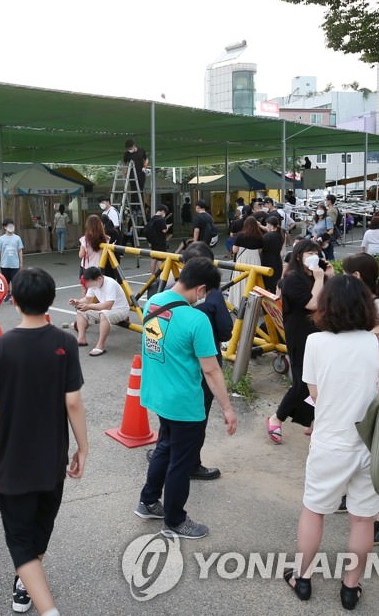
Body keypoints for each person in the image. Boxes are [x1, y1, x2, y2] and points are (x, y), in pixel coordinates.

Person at [0, 268, 87, 615]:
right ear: (50, 301)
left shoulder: (0, 347)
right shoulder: (65, 343)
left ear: (14, 301)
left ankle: (44, 604)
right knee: (39, 531)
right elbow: (73, 402)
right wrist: (83, 447)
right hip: (52, 462)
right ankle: (25, 585)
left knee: (21, 541)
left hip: (13, 464)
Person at [284, 276, 379, 610]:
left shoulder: (316, 343)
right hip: (371, 445)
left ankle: (302, 578)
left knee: (314, 511)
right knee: (363, 519)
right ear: (366, 306)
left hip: (330, 443)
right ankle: (351, 588)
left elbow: (315, 393)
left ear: (327, 306)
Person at [134, 257, 238, 540]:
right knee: (181, 461)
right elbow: (211, 369)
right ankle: (175, 521)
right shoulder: (196, 319)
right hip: (184, 402)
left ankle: (148, 501)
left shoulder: (153, 302)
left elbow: (155, 345)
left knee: (165, 447)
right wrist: (227, 408)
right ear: (201, 289)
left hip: (158, 394)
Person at [340, 253, 379, 545]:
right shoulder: (361, 302)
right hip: (357, 388)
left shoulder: (378, 307)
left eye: (345, 274)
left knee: (376, 454)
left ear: (357, 277)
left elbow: (378, 341)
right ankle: (350, 495)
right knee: (354, 447)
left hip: (375, 392)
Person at [175, 243, 233, 481]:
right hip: (203, 363)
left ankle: (166, 452)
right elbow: (226, 330)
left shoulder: (169, 293)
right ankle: (191, 464)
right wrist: (227, 408)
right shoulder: (213, 294)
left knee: (172, 416)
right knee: (198, 416)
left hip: (175, 365)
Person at [266, 239, 333, 444]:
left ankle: (311, 420)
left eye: (316, 253)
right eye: (309, 253)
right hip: (300, 336)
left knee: (321, 381)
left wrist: (330, 277)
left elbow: (333, 299)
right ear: (298, 256)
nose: (314, 256)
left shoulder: (316, 275)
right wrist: (320, 279)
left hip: (321, 334)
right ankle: (277, 417)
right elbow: (313, 304)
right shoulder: (292, 279)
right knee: (303, 383)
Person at [69, 266, 130, 357]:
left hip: (120, 310)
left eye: (89, 283)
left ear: (99, 279)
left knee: (104, 314)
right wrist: (77, 302)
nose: (88, 285)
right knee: (81, 310)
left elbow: (108, 305)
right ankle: (81, 339)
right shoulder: (94, 283)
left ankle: (100, 346)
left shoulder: (110, 284)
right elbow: (87, 299)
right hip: (105, 309)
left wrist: (89, 306)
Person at [228, 216, 265, 310]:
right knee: (255, 282)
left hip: (243, 260)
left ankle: (238, 303)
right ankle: (253, 305)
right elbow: (260, 250)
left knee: (240, 280)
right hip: (255, 260)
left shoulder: (240, 235)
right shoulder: (259, 236)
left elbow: (234, 250)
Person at [78, 214, 108, 291]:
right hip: (99, 267)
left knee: (86, 292)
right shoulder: (106, 239)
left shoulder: (85, 240)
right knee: (99, 291)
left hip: (86, 268)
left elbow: (81, 255)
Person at [0, 218, 24, 295]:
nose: (11, 227)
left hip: (15, 265)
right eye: (9, 226)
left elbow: (20, 251)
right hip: (4, 265)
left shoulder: (17, 238)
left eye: (12, 225)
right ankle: (7, 294)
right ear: (5, 227)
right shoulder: (1, 239)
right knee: (5, 281)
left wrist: (21, 263)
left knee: (15, 281)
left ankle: (13, 295)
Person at [261, 215, 286, 293]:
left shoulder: (267, 236)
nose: (266, 226)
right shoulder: (280, 234)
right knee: (274, 286)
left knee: (267, 285)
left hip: (267, 262)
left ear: (270, 225)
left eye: (267, 224)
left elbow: (261, 248)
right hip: (277, 261)